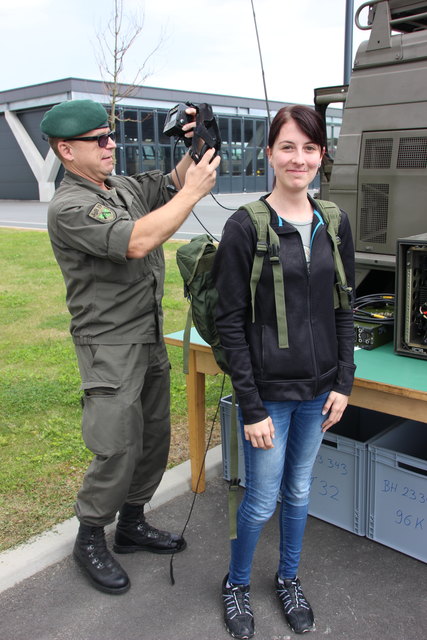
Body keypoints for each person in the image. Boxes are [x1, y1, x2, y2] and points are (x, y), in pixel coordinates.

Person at [40, 99, 220, 595]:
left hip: (146, 332)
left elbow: (176, 181)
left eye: (109, 135)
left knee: (153, 435)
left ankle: (133, 523)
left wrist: (197, 142)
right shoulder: (69, 206)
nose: (110, 144)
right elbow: (139, 240)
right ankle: (91, 535)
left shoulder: (117, 185)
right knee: (116, 443)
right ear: (65, 150)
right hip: (108, 344)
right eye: (98, 139)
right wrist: (194, 194)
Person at [212, 105, 355, 637]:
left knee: (298, 492)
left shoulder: (333, 222)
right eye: (288, 147)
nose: (299, 158)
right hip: (268, 396)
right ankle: (237, 583)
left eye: (310, 148)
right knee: (260, 499)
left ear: (322, 156)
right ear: (269, 153)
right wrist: (250, 406)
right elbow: (230, 323)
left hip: (319, 393)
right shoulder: (245, 225)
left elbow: (345, 307)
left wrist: (344, 382)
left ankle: (289, 578)